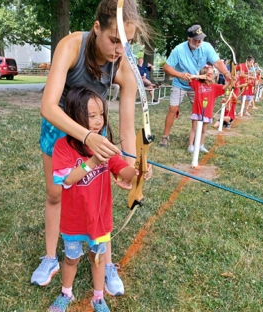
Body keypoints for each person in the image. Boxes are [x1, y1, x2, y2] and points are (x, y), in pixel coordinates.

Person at [32, 0, 152, 297]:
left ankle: (107, 264)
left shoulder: (124, 65)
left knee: (99, 195)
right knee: (56, 192)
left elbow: (125, 130)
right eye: (114, 40)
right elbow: (47, 106)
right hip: (61, 126)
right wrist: (86, 137)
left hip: (94, 131)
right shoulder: (71, 45)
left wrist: (132, 167)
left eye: (127, 42)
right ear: (96, 28)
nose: (119, 50)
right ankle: (50, 259)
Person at [48, 86, 138, 312]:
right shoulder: (63, 146)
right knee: (71, 259)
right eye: (91, 116)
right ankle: (66, 294)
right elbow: (65, 180)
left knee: (98, 260)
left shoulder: (105, 144)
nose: (99, 121)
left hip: (99, 220)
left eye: (101, 115)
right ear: (74, 117)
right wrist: (93, 161)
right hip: (73, 221)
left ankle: (98, 298)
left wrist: (137, 173)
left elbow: (120, 168)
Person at [159, 24, 232, 148]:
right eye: (196, 40)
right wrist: (180, 75)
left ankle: (197, 139)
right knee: (172, 109)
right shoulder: (179, 49)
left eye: (201, 39)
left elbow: (218, 62)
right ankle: (165, 137)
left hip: (198, 85)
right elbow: (166, 67)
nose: (199, 43)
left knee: (202, 110)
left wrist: (226, 73)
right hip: (180, 84)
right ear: (189, 39)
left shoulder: (207, 47)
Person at [187, 65, 231, 153]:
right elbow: (189, 77)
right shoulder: (197, 84)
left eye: (213, 73)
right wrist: (200, 76)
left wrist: (231, 80)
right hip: (197, 111)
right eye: (210, 74)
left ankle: (201, 145)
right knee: (194, 129)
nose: (213, 75)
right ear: (204, 75)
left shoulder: (214, 86)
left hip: (207, 113)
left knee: (204, 130)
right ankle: (191, 145)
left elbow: (225, 87)